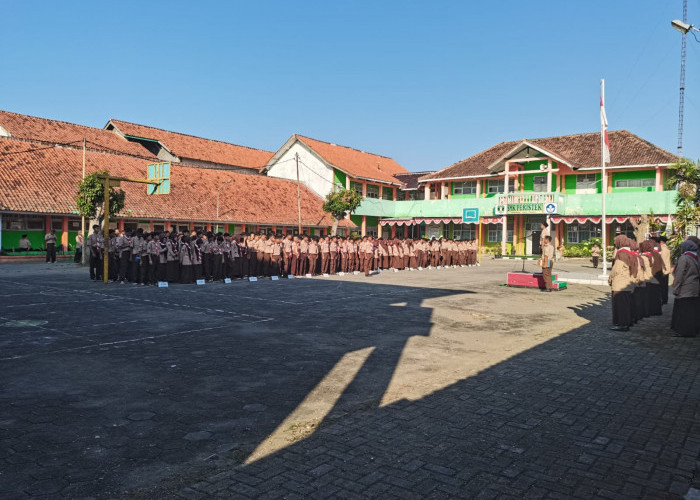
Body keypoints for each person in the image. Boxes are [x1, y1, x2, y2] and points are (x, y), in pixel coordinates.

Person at [671, 239, 699, 338]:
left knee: (684, 311)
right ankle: (692, 330)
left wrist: (676, 288)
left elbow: (679, 275)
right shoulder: (696, 258)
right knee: (692, 311)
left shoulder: (684, 258)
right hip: (695, 287)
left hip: (685, 288)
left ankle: (684, 331)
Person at [609, 235, 637, 331]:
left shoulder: (621, 254)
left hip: (620, 283)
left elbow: (616, 268)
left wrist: (610, 278)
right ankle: (627, 322)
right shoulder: (630, 253)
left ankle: (621, 324)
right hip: (628, 283)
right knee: (626, 304)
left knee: (620, 305)